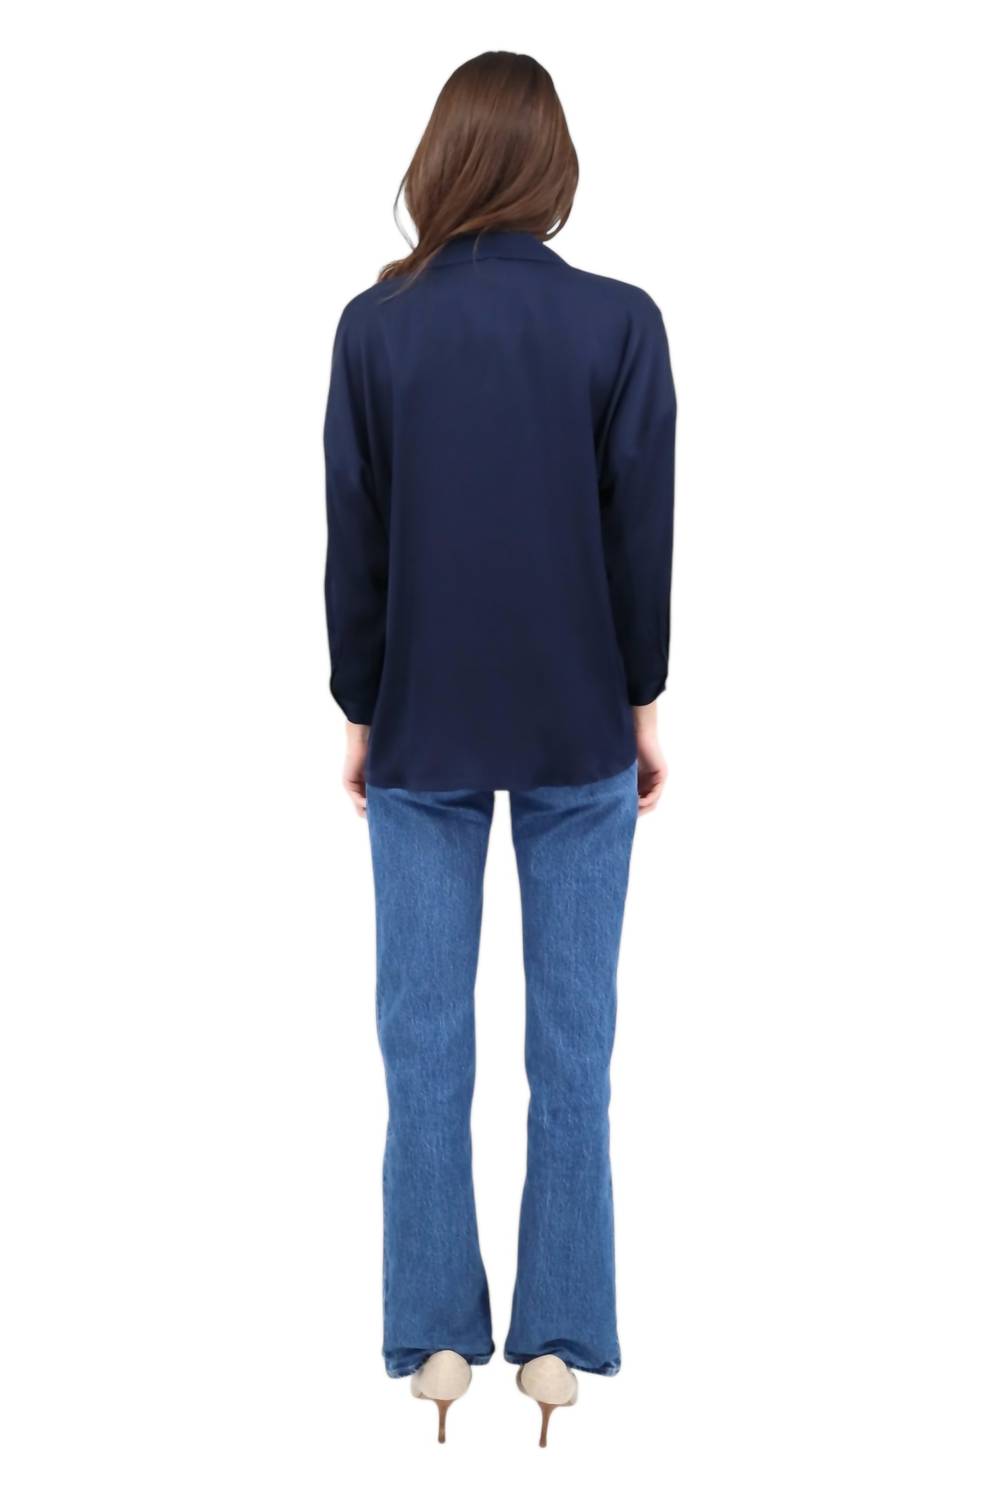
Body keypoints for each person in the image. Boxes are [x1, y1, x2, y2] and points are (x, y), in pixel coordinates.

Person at [323, 50, 676, 1447]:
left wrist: (361, 708)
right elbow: (639, 534)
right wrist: (642, 702)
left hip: (421, 721)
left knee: (423, 1050)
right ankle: (558, 1350)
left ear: (443, 157)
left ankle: (434, 1346)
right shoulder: (621, 322)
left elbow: (357, 539)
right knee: (574, 1051)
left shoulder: (375, 328)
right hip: (580, 719)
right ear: (553, 166)